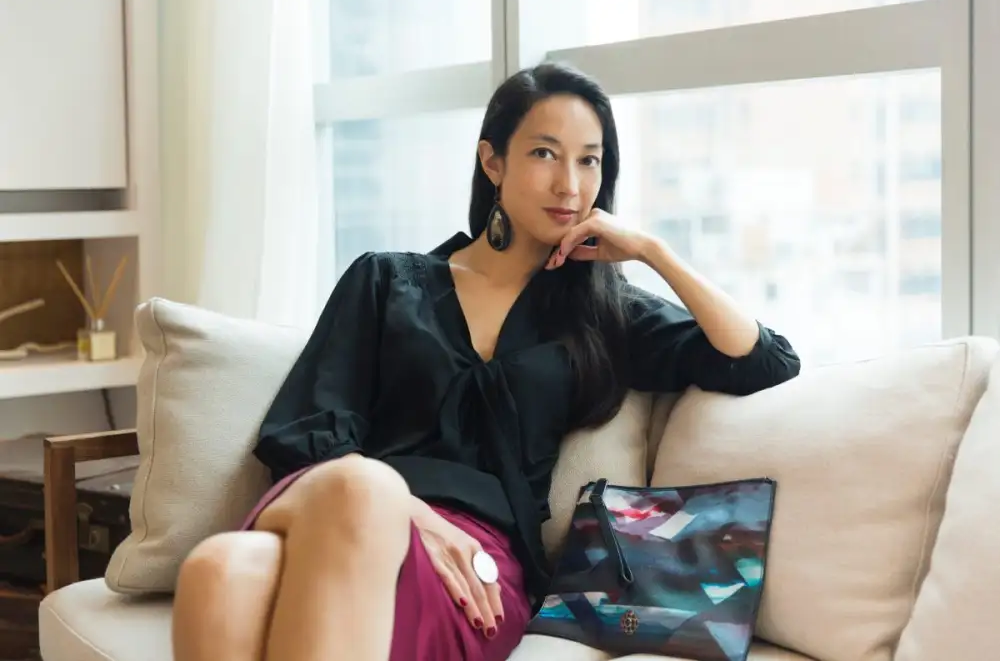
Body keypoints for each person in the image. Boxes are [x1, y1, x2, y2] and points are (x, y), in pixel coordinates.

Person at [170, 62, 800, 661]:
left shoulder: (602, 313)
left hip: (477, 559)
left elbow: (763, 360)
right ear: (492, 161)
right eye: (545, 153)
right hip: (340, 508)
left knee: (233, 566)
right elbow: (305, 432)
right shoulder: (386, 281)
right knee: (245, 556)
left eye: (589, 160)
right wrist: (407, 511)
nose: (570, 184)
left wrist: (651, 251)